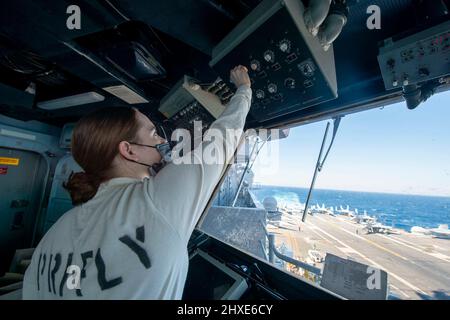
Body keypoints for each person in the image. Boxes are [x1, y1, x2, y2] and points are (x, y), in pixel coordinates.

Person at [22, 65, 252, 299]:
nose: (162, 139)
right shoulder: (157, 200)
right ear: (129, 151)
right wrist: (243, 87)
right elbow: (223, 137)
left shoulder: (55, 232)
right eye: (153, 134)